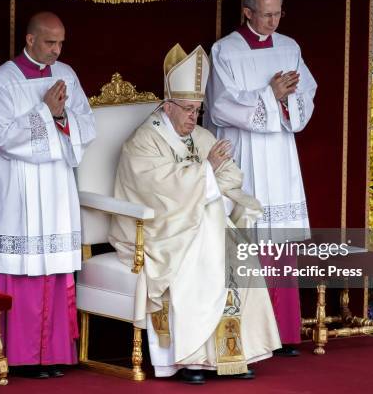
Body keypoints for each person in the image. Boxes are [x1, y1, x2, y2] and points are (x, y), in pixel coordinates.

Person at [109, 44, 281, 384]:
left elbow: (231, 175)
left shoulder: (199, 137)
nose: (193, 117)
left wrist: (210, 173)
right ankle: (190, 358)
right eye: (187, 110)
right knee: (204, 251)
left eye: (198, 111)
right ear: (167, 106)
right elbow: (156, 189)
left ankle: (231, 355)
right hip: (157, 231)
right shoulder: (143, 142)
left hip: (200, 225)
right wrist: (206, 172)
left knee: (236, 251)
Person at [0, 12, 95, 378]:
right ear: (29, 40)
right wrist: (46, 112)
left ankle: (54, 354)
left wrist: (61, 119)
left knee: (54, 268)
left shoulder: (67, 75)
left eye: (61, 43)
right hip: (18, 188)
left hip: (56, 186)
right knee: (23, 269)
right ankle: (20, 356)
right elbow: (6, 138)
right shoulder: (2, 81)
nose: (57, 50)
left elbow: (86, 125)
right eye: (49, 43)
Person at [204, 0, 317, 357]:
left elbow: (307, 94)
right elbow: (221, 106)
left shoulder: (290, 47)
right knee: (250, 235)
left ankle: (284, 332)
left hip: (280, 153)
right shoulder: (226, 50)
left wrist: (287, 101)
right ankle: (254, 335)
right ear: (248, 12)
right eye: (266, 14)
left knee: (280, 240)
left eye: (278, 13)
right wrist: (270, 95)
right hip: (245, 152)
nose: (273, 21)